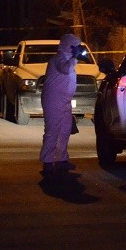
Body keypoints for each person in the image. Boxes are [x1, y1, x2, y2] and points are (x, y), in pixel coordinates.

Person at [39, 34, 85, 172]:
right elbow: (65, 69)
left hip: (65, 100)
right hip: (53, 99)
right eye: (75, 46)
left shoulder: (68, 59)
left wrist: (76, 57)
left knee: (64, 130)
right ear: (69, 45)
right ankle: (47, 161)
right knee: (53, 130)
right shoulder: (58, 58)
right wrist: (75, 57)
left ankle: (61, 158)